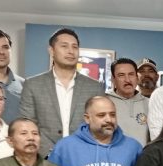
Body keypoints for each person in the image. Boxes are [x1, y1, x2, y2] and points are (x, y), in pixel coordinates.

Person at [18, 27, 105, 155]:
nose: (70, 51)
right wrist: (48, 154)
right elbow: (27, 125)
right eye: (64, 46)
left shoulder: (94, 87)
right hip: (44, 157)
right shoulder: (32, 84)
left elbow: (99, 125)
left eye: (75, 47)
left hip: (84, 156)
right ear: (51, 50)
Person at [108, 58, 149, 147]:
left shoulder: (149, 103)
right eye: (121, 75)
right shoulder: (104, 102)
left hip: (143, 155)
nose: (127, 80)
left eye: (131, 74)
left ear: (137, 78)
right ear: (113, 79)